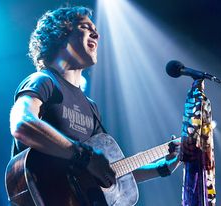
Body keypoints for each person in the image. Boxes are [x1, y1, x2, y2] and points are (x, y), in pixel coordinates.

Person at [9, 6, 180, 205]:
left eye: (95, 30)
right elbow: (22, 125)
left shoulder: (90, 107)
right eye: (85, 27)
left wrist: (162, 167)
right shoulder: (43, 81)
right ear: (60, 34)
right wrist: (84, 156)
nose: (96, 34)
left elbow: (108, 171)